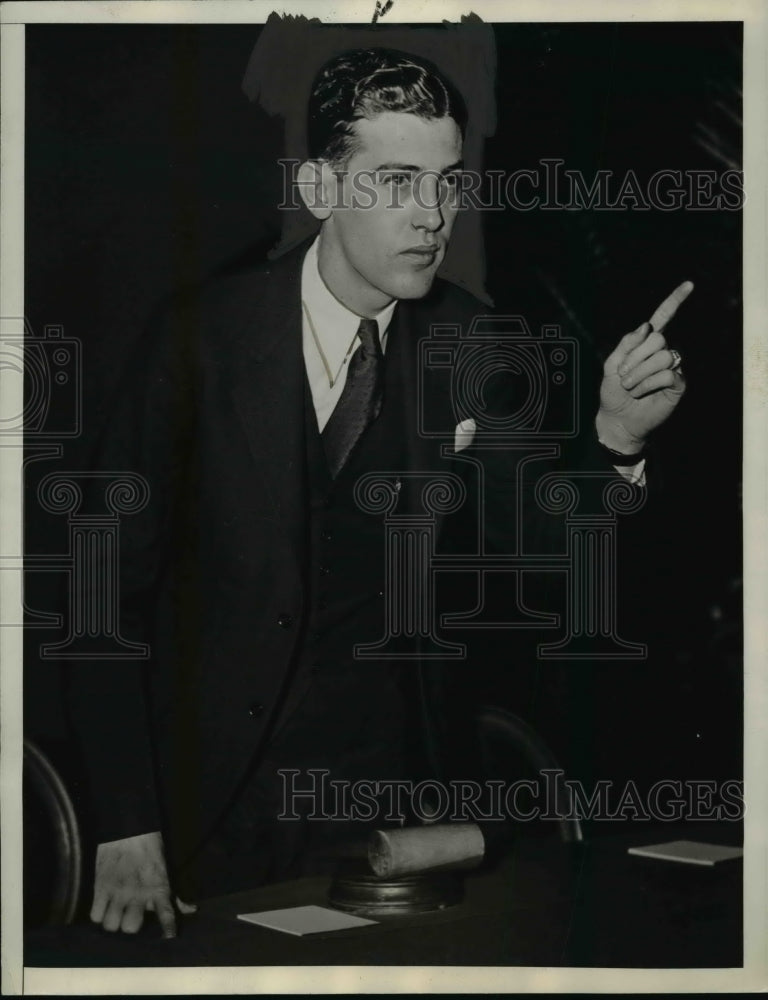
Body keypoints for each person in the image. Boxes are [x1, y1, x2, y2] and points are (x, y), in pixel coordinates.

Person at [69, 47, 690, 938]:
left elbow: (550, 558)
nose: (433, 215)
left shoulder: (477, 342)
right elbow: (99, 591)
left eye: (447, 182)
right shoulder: (199, 339)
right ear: (320, 189)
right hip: (204, 816)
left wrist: (617, 439)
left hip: (394, 822)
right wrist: (127, 825)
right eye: (398, 181)